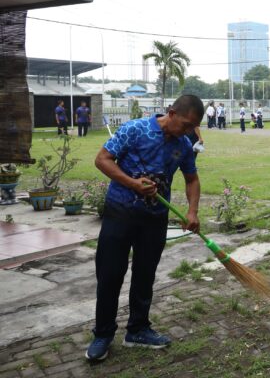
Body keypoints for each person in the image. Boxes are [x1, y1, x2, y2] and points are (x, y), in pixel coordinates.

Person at [86, 95, 204, 362]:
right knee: (110, 274)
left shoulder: (184, 145)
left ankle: (138, 329)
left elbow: (192, 179)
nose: (188, 132)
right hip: (120, 213)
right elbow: (102, 159)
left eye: (193, 128)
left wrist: (192, 211)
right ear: (171, 113)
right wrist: (131, 183)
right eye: (186, 125)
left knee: (145, 274)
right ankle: (103, 333)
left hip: (155, 219)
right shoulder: (134, 129)